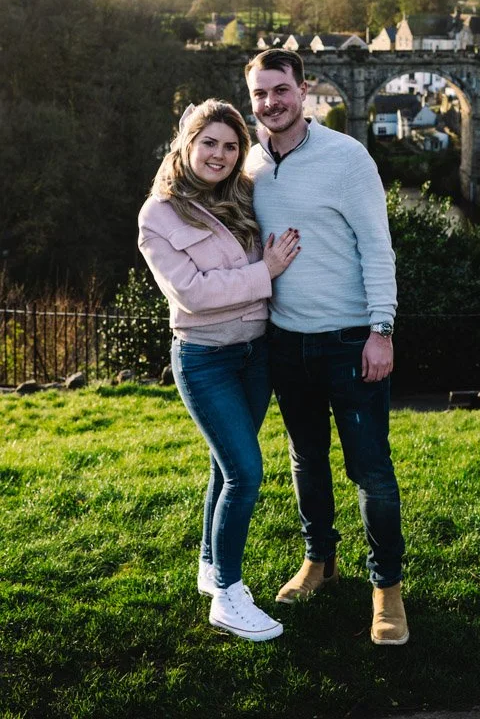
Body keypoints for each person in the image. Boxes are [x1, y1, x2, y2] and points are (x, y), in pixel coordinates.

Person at [244, 50, 408, 646]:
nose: (271, 103)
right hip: (286, 342)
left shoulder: (347, 157)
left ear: (303, 90)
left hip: (350, 341)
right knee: (306, 460)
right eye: (260, 94)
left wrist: (381, 330)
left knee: (371, 469)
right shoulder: (250, 164)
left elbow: (377, 247)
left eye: (280, 90)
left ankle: (386, 589)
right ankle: (319, 561)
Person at [138, 99, 300, 642]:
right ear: (187, 143)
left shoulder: (243, 195)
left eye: (231, 146)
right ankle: (229, 596)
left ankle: (210, 566)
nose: (220, 155)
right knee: (245, 473)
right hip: (205, 359)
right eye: (209, 142)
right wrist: (266, 271)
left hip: (255, 354)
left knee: (223, 466)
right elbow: (193, 293)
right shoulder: (158, 214)